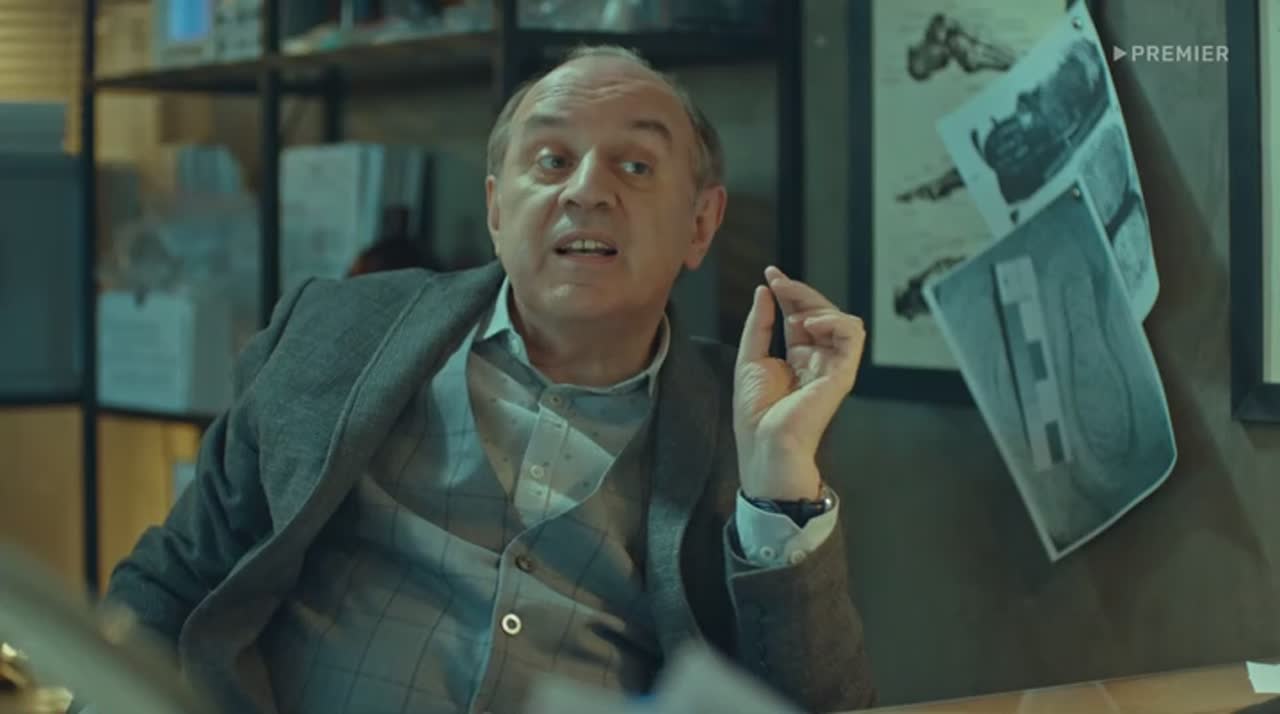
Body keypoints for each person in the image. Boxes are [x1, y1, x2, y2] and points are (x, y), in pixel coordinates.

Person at [99, 45, 877, 714]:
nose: (586, 190)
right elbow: (174, 581)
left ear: (700, 224)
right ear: (497, 208)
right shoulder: (333, 333)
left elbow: (819, 704)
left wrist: (779, 481)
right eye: (552, 160)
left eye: (636, 165)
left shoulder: (745, 419)